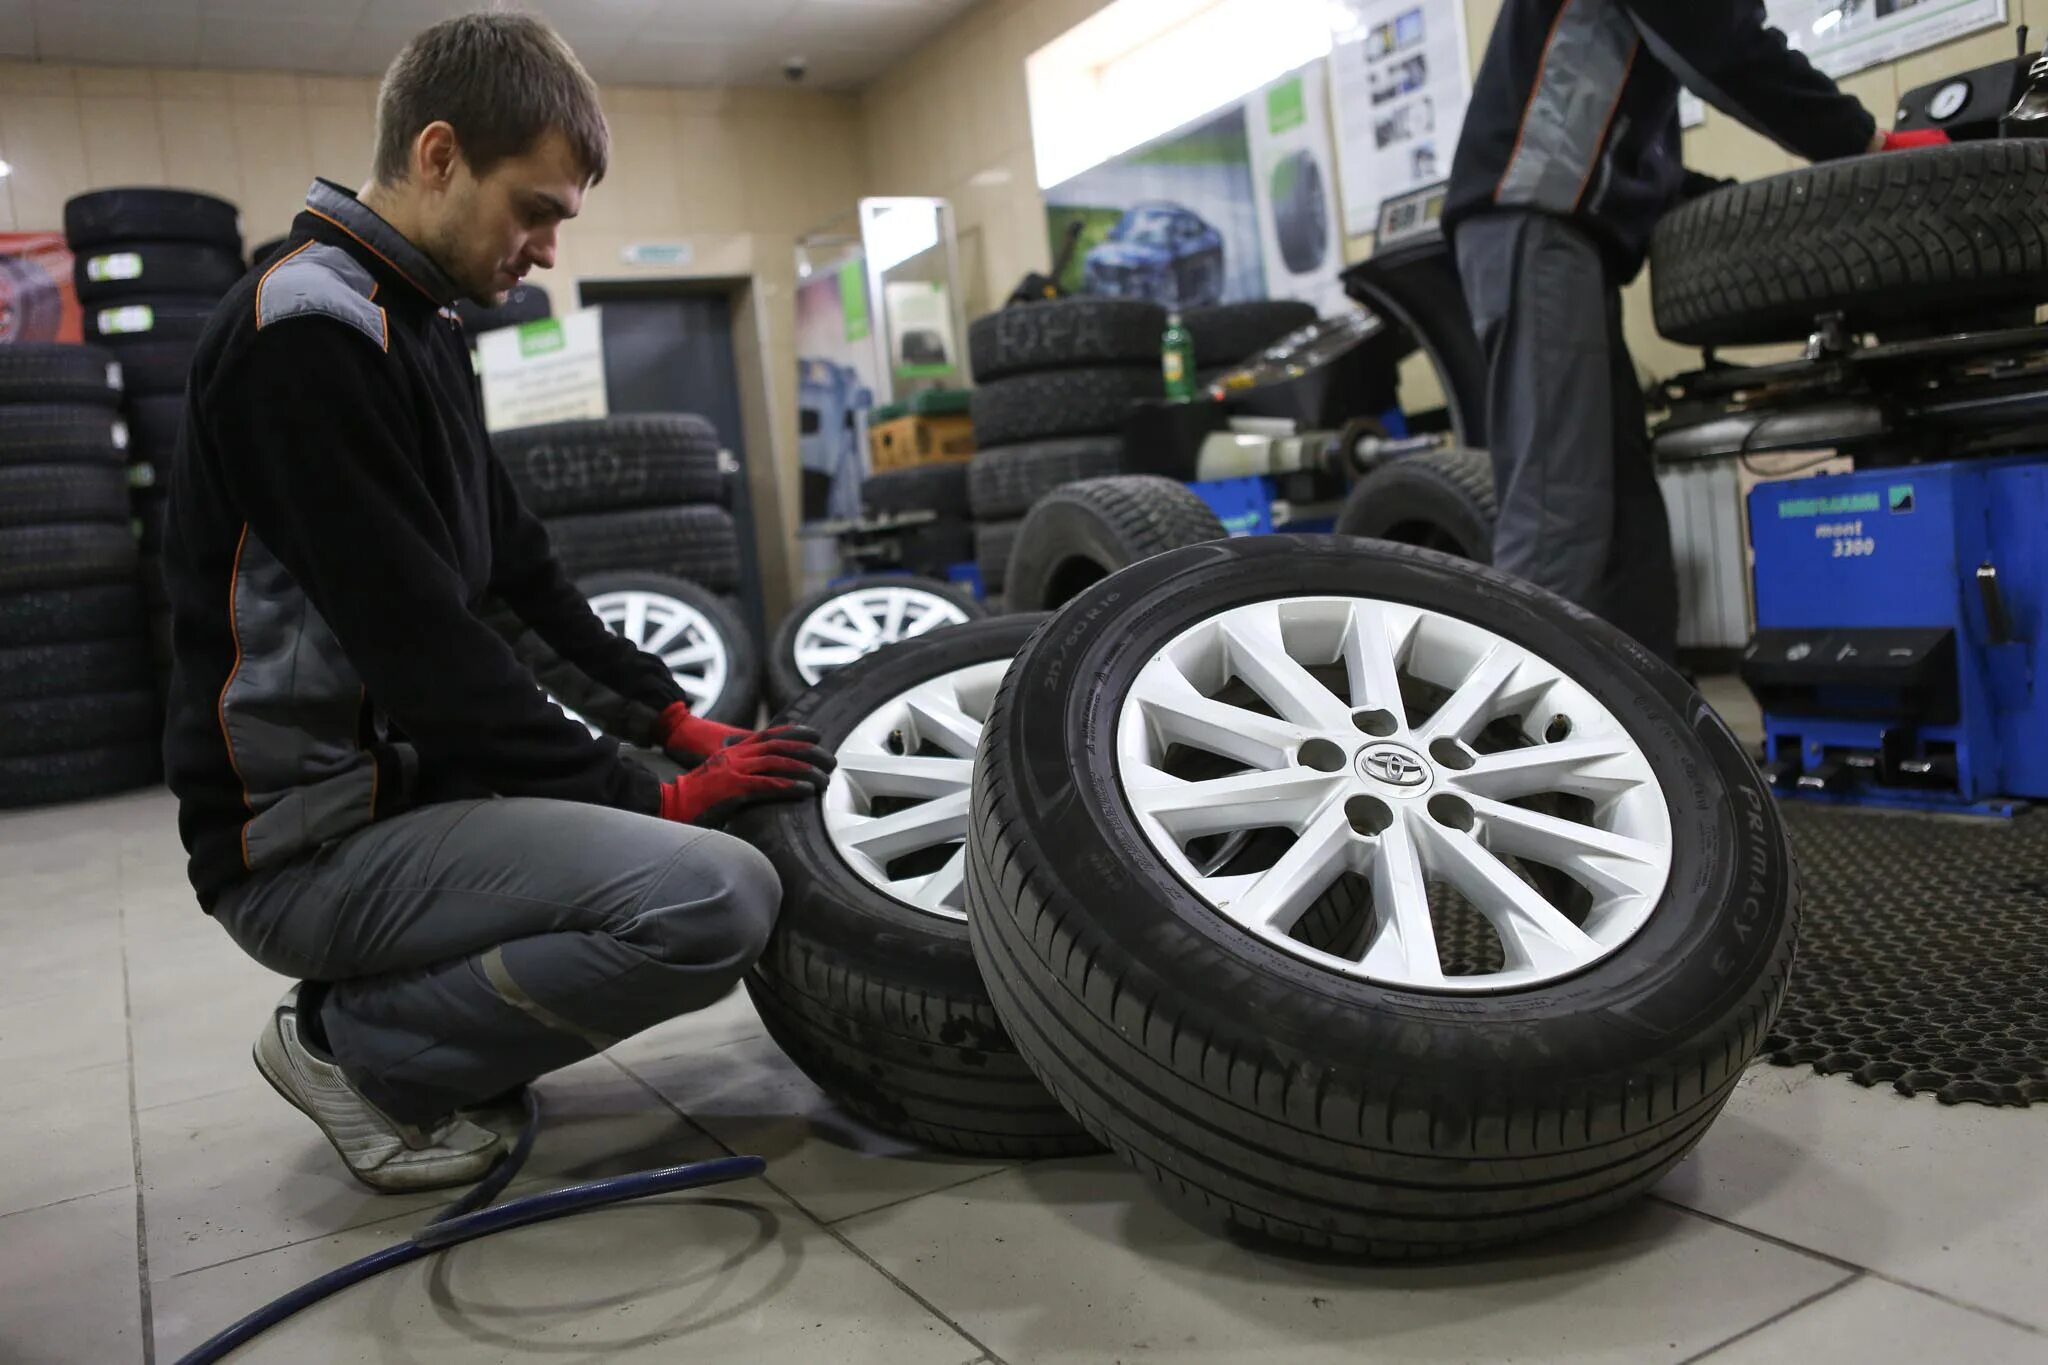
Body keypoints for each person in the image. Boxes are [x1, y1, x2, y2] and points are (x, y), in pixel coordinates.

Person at [160, 12, 834, 1193]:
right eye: (535, 210)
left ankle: (410, 1019)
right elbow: (424, 645)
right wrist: (654, 795)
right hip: (304, 848)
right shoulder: (306, 336)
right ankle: (353, 1049)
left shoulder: (415, 321)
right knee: (713, 899)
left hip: (408, 803)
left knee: (666, 848)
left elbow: (514, 565)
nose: (545, 248)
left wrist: (665, 713)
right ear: (436, 156)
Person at [1443, 1, 1944, 663]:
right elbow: (1726, 50)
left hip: (1556, 235)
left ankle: (1652, 728)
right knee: (1559, 512)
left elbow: (1636, 149)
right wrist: (1867, 142)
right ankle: (1508, 741)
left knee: (1624, 520)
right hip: (1533, 223)